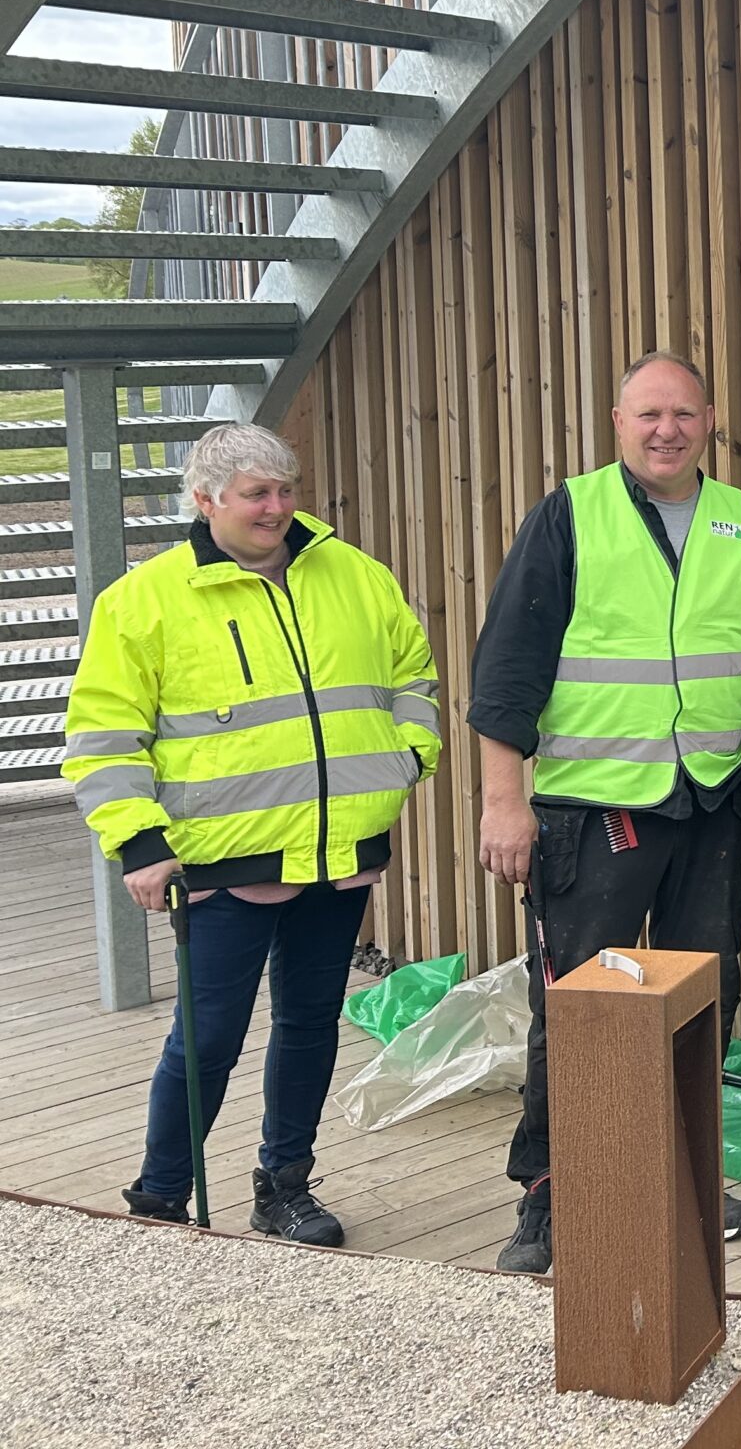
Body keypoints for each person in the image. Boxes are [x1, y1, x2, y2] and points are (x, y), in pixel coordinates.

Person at [66, 422, 441, 1246]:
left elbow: (413, 672)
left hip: (338, 851)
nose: (277, 508)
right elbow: (103, 737)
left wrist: (408, 755)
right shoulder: (142, 601)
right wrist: (138, 844)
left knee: (309, 1023)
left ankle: (285, 1187)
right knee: (207, 1038)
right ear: (206, 501)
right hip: (217, 862)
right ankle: (161, 1197)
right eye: (255, 494)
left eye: (285, 489)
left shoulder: (356, 575)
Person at [471, 351, 741, 1274]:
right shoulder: (571, 514)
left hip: (712, 798)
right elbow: (506, 669)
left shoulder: (740, 521)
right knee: (581, 1006)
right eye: (649, 414)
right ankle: (552, 1191)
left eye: (683, 414)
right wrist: (504, 802)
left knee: (702, 998)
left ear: (710, 421)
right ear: (617, 422)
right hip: (593, 806)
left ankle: (680, 1177)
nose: (667, 431)